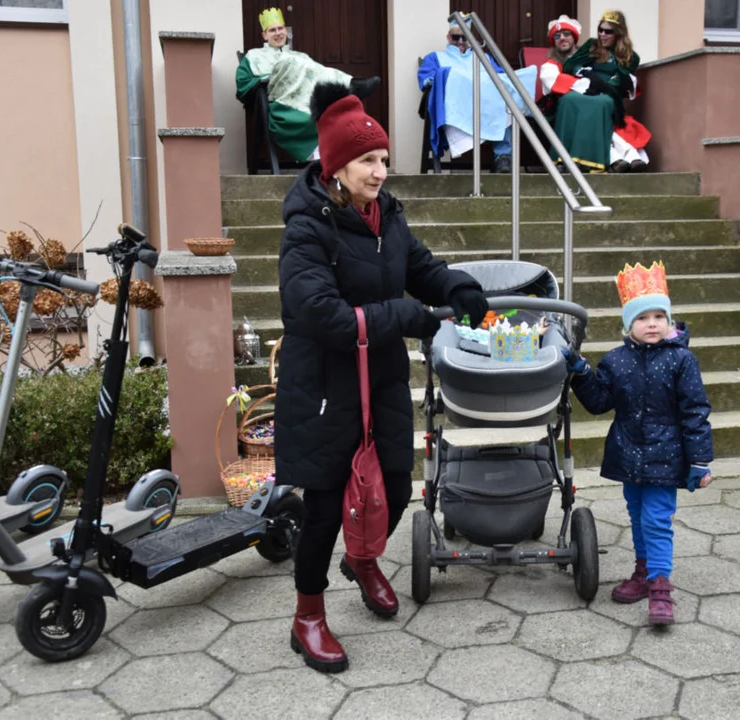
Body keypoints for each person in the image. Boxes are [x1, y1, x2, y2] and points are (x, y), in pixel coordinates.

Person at [276, 81, 489, 673]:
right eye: (368, 160)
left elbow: (416, 264)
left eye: (384, 159)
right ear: (337, 165)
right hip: (324, 385)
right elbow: (317, 312)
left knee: (394, 488)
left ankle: (364, 559)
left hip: (384, 376)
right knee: (322, 510)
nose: (380, 171)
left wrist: (456, 287)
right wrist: (404, 316)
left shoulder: (385, 214)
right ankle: (309, 616)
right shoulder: (306, 227)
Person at [562, 261, 713, 625]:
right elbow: (600, 402)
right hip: (629, 453)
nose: (652, 324)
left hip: (668, 454)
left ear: (670, 322)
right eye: (643, 317)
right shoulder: (617, 360)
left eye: (660, 316)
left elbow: (695, 411)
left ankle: (661, 586)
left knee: (657, 519)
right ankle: (643, 572)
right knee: (638, 516)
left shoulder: (682, 361)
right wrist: (581, 373)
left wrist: (700, 460)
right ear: (628, 325)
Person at [235, 7, 381, 162]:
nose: (278, 33)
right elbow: (243, 84)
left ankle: (348, 87)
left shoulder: (300, 56)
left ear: (286, 31)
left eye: (280, 28)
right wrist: (266, 78)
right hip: (279, 101)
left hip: (307, 99)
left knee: (310, 70)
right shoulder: (253, 56)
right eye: (272, 30)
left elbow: (318, 76)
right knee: (288, 61)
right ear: (264, 35)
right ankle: (350, 87)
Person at [418, 18, 538, 173]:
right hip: (455, 108)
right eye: (456, 37)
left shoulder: (483, 57)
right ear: (448, 38)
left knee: (506, 106)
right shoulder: (435, 57)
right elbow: (427, 81)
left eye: (465, 37)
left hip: (486, 106)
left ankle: (502, 157)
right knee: (501, 107)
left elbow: (502, 77)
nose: (461, 41)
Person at [540, 11, 651, 173]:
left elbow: (624, 79)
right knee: (578, 102)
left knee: (600, 104)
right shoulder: (589, 47)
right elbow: (566, 71)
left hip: (607, 96)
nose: (602, 34)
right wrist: (587, 77)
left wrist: (611, 83)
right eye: (600, 30)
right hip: (578, 96)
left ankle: (605, 159)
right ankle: (568, 158)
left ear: (618, 33)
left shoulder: (630, 56)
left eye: (608, 31)